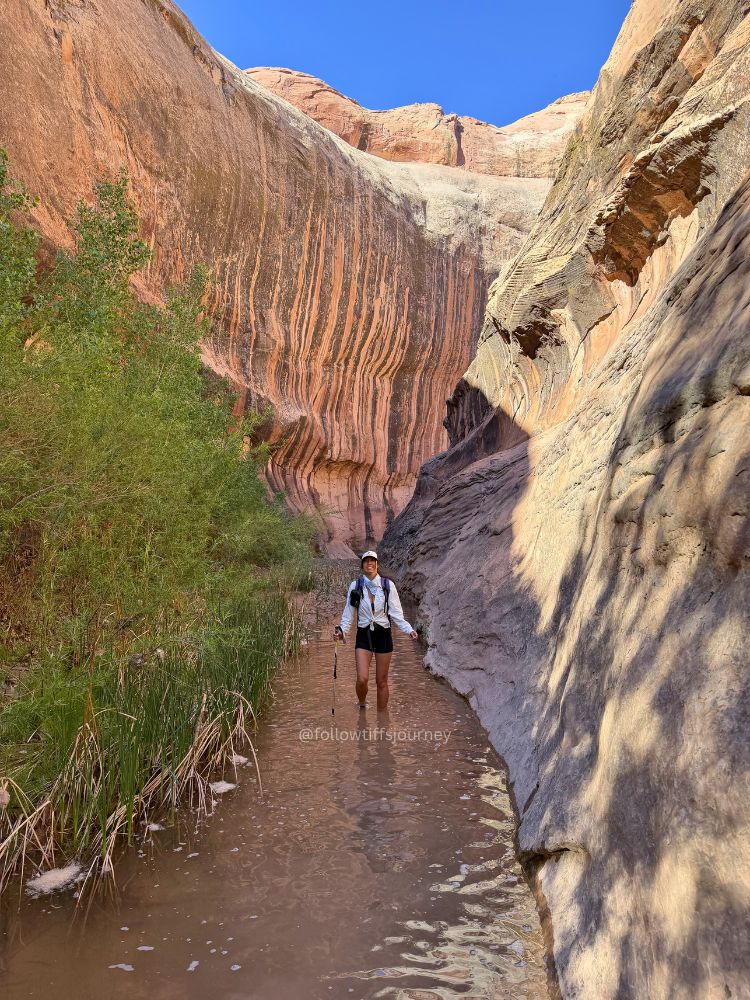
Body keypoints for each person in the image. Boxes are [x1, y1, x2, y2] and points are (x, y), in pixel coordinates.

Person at [333, 550, 418, 711]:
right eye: (366, 561)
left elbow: (396, 613)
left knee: (382, 681)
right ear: (362, 565)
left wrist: (409, 629)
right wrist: (341, 631)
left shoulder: (388, 586)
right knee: (362, 679)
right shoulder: (355, 585)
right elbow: (348, 614)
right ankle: (362, 703)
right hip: (364, 635)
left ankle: (382, 719)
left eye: (373, 560)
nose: (369, 563)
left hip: (383, 635)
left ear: (377, 564)